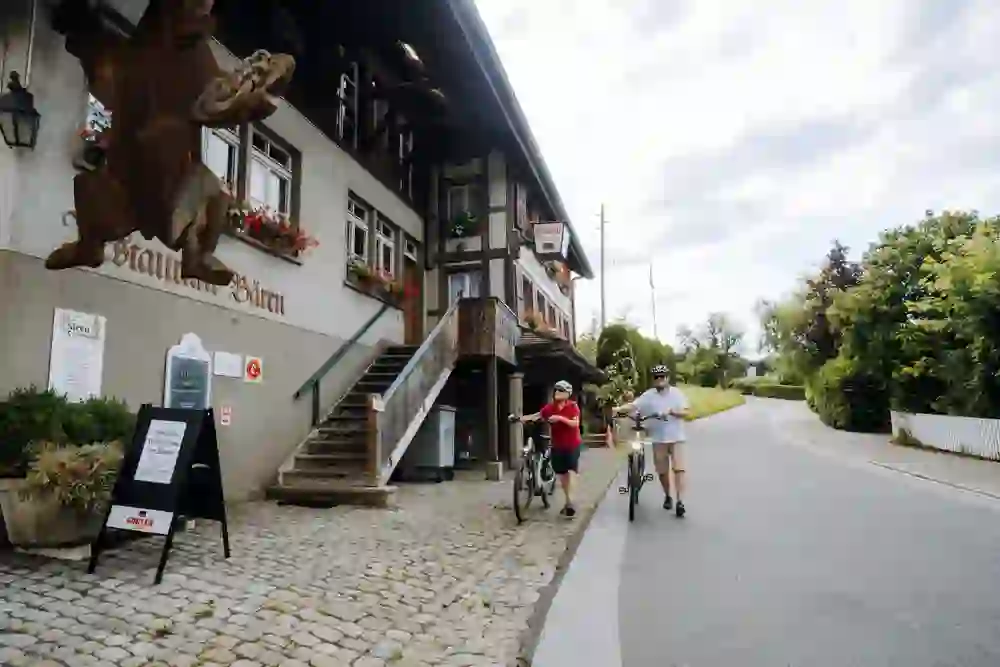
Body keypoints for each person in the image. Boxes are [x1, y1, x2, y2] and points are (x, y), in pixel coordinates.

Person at [614, 366, 690, 517]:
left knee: (678, 469)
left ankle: (680, 501)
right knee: (662, 471)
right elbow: (634, 406)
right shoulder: (648, 395)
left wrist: (672, 412)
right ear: (653, 379)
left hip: (676, 437)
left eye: (662, 376)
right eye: (656, 377)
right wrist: (617, 409)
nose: (659, 379)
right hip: (658, 438)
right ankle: (668, 496)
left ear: (668, 378)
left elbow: (687, 412)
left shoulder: (677, 394)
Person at [520, 380, 582, 517]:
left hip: (572, 444)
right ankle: (568, 501)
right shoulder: (550, 408)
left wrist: (560, 418)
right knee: (563, 473)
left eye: (561, 390)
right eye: (556, 390)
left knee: (571, 471)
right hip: (558, 445)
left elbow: (575, 423)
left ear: (568, 394)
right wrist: (521, 418)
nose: (558, 393)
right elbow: (539, 415)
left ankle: (570, 502)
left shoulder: (573, 406)